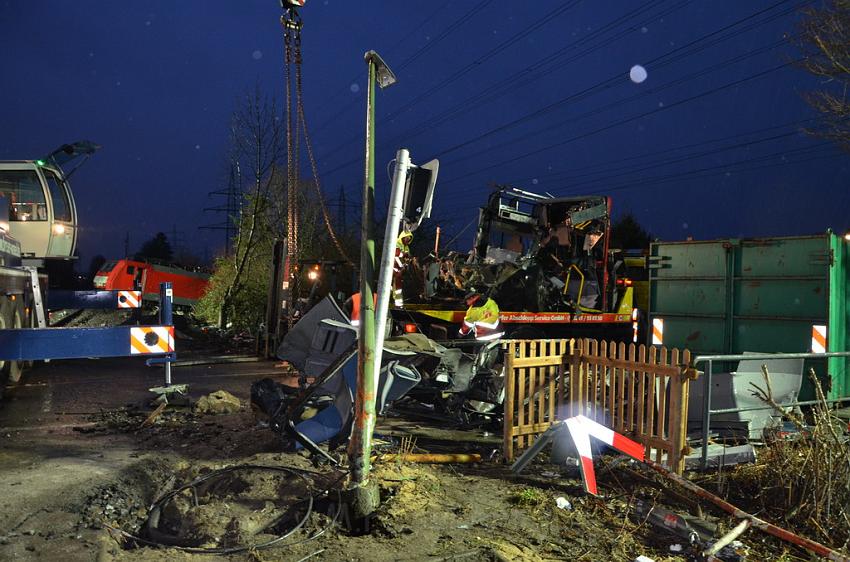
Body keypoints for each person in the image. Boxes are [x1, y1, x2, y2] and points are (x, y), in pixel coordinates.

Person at [393, 229, 413, 307]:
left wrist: (408, 261)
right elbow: (396, 253)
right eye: (406, 237)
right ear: (403, 237)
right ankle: (397, 303)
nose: (407, 239)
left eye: (409, 238)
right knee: (397, 283)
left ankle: (400, 302)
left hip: (402, 268)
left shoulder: (407, 247)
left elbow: (407, 257)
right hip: (394, 267)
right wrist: (404, 255)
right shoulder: (397, 243)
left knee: (400, 284)